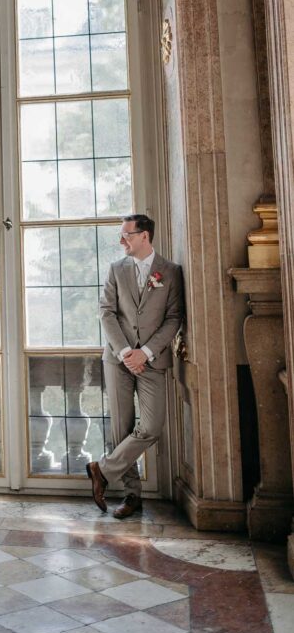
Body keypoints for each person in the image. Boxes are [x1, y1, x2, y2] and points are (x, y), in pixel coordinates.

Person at [86, 214, 184, 519]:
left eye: (127, 235)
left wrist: (147, 352)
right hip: (118, 359)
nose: (121, 241)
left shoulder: (171, 271)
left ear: (144, 236)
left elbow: (174, 317)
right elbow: (106, 312)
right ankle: (132, 496)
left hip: (153, 360)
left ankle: (102, 470)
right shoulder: (116, 269)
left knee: (151, 426)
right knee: (122, 427)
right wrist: (128, 352)